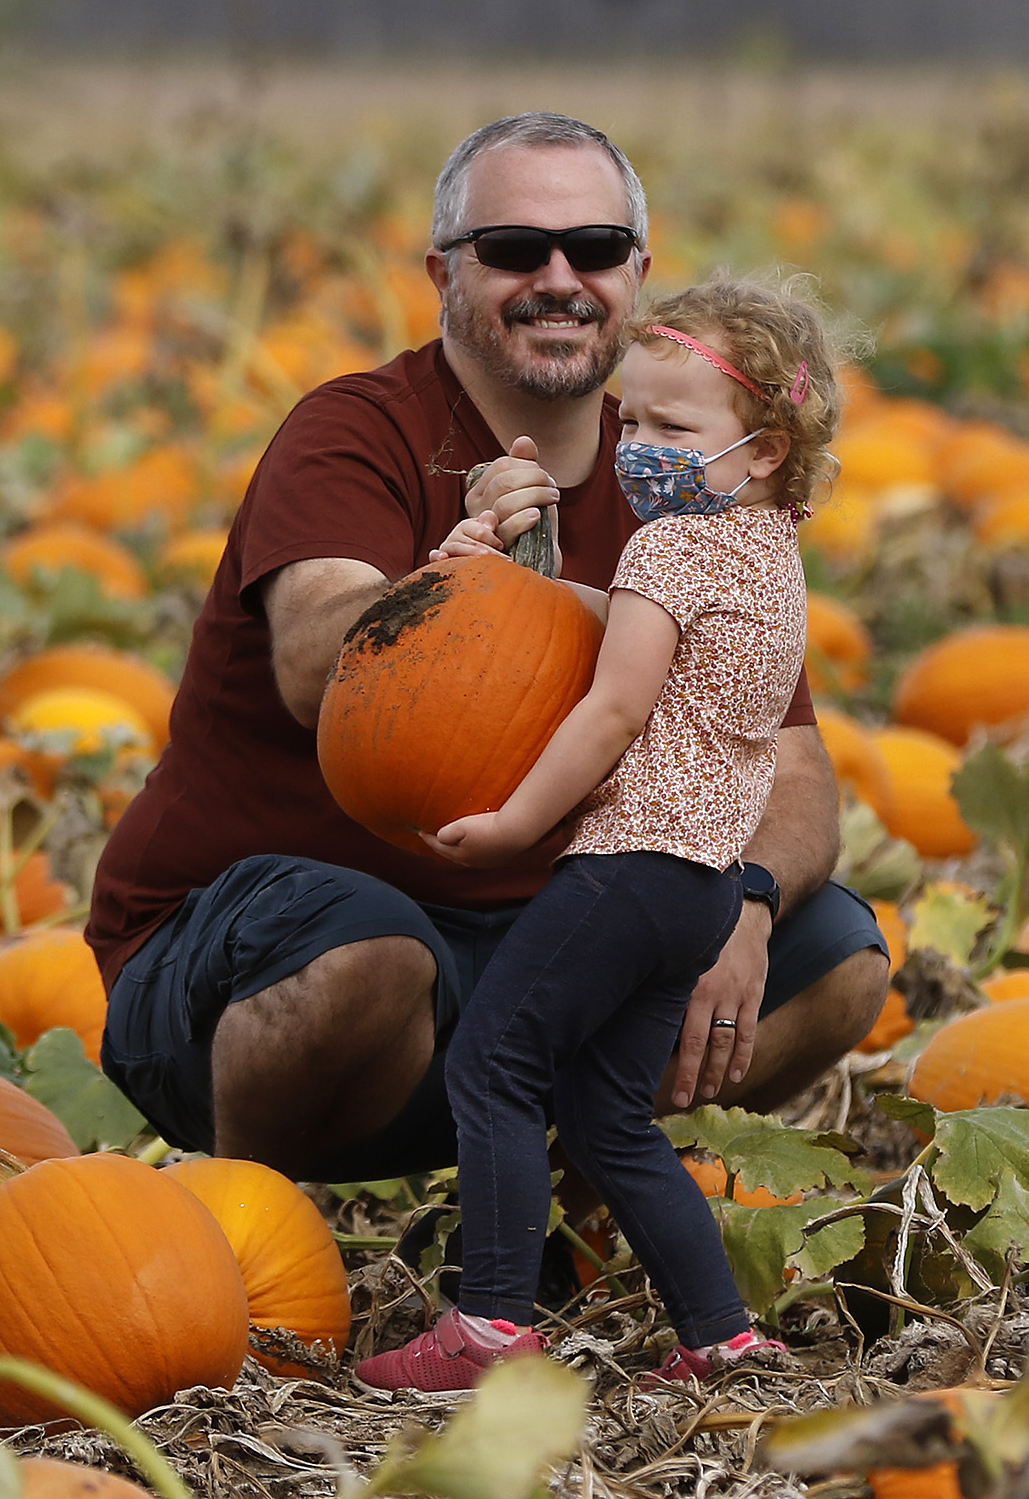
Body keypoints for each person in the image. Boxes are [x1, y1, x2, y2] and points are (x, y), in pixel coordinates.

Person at [85, 111, 891, 1189]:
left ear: (636, 274)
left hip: (535, 951)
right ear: (444, 274)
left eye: (594, 249)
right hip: (254, 956)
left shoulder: (681, 475)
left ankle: (550, 1202)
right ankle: (251, 1224)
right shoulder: (353, 434)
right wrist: (447, 575)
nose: (558, 277)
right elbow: (312, 670)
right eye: (514, 249)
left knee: (834, 952)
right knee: (366, 942)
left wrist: (743, 895)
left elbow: (790, 772)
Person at [357, 276, 831, 1390]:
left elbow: (615, 704)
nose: (636, 444)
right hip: (704, 884)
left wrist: (516, 819)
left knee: (494, 1060)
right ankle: (720, 1335)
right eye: (631, 415)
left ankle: (490, 1326)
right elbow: (630, 633)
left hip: (627, 864)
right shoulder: (770, 550)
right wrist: (527, 584)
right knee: (611, 1115)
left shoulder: (670, 552)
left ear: (763, 447)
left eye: (674, 426)